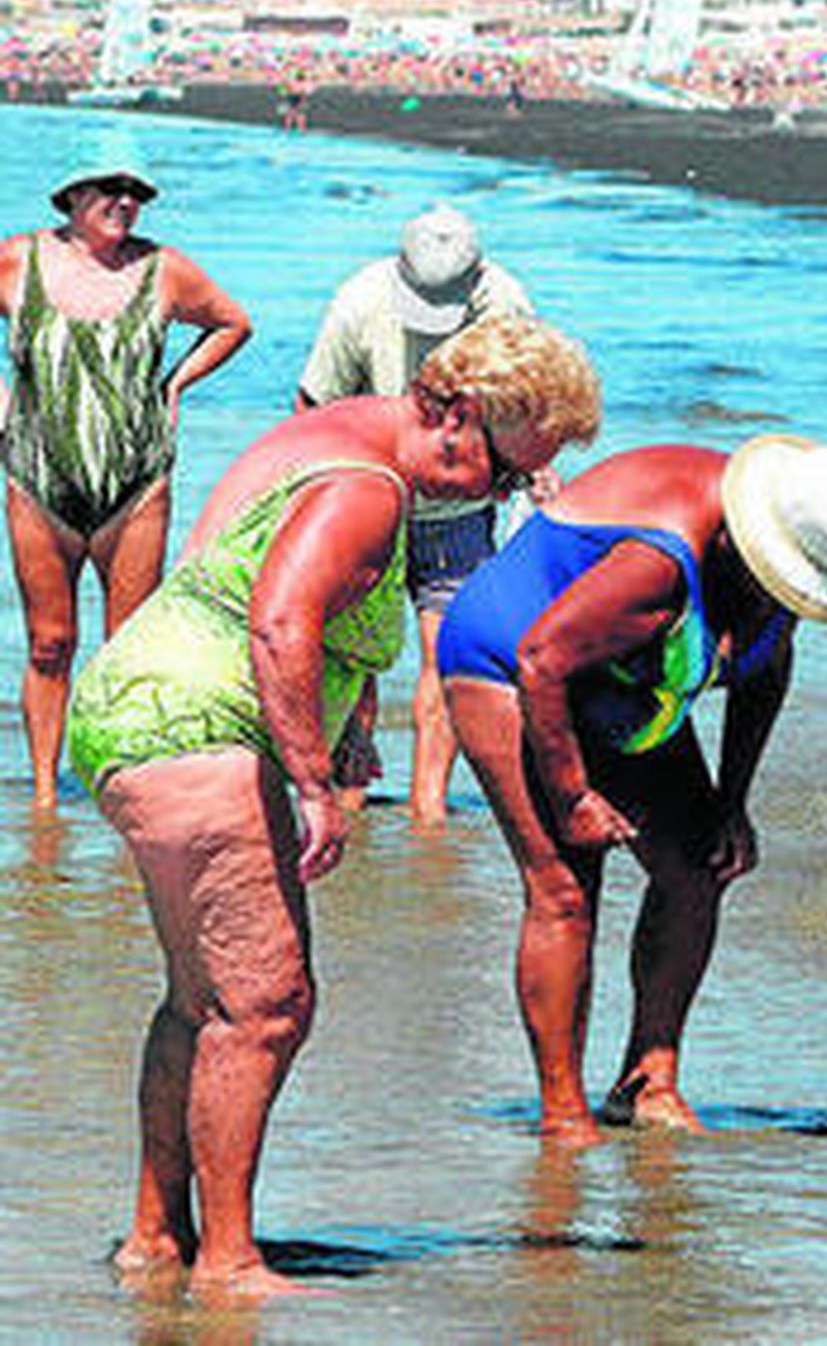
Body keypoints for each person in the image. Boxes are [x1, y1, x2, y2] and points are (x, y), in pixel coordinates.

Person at [65, 312, 601, 1299]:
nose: (501, 495)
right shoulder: (367, 486)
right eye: (505, 472)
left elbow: (249, 577)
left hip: (139, 704)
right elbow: (280, 621)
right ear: (457, 414)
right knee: (266, 1003)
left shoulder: (334, 431)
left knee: (203, 999)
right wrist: (316, 784)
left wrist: (343, 726)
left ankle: (157, 1235)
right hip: (197, 721)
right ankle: (230, 1261)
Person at [438, 435, 827, 1145]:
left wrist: (732, 802)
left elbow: (765, 670)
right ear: (749, 543)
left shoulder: (791, 563)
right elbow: (542, 660)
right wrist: (573, 796)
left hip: (617, 672)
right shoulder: (659, 564)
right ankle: (563, 1111)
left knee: (699, 864)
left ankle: (648, 1081)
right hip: (508, 657)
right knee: (565, 889)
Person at [0, 167, 252, 813]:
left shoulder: (164, 270)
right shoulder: (20, 260)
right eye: (111, 190)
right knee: (49, 643)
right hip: (37, 480)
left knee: (129, 650)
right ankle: (46, 801)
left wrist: (176, 384)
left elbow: (232, 322)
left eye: (137, 194)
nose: (125, 202)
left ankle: (120, 790)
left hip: (135, 487)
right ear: (73, 197)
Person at [296, 204, 536, 823]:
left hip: (461, 508)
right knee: (356, 655)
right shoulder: (359, 301)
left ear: (477, 278)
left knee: (448, 653)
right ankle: (347, 795)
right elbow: (314, 406)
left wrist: (531, 470)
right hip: (371, 496)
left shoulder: (506, 305)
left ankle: (428, 812)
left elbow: (533, 403)